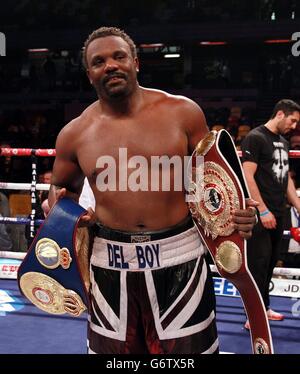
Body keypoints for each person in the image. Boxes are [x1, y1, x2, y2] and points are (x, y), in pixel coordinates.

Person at [48, 27, 257, 354]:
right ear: (89, 74)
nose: (111, 65)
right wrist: (60, 212)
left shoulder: (183, 113)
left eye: (119, 56)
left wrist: (240, 211)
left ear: (135, 62)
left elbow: (214, 179)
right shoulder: (74, 135)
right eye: (99, 61)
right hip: (109, 264)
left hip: (181, 259)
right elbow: (61, 190)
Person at [241, 99, 300, 329]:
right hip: (261, 212)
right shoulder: (256, 137)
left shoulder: (283, 142)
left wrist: (297, 204)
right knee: (258, 263)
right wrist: (261, 209)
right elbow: (248, 175)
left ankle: (263, 308)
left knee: (270, 263)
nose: (294, 126)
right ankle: (252, 316)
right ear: (280, 114)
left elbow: (285, 178)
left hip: (278, 211)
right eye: (292, 120)